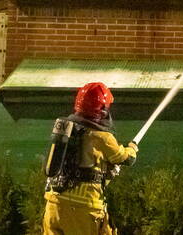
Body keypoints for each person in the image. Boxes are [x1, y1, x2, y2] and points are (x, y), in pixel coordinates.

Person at [43, 82, 138, 235]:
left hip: (54, 203)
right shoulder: (102, 137)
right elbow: (125, 158)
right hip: (83, 208)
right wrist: (132, 148)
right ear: (102, 110)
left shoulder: (67, 129)